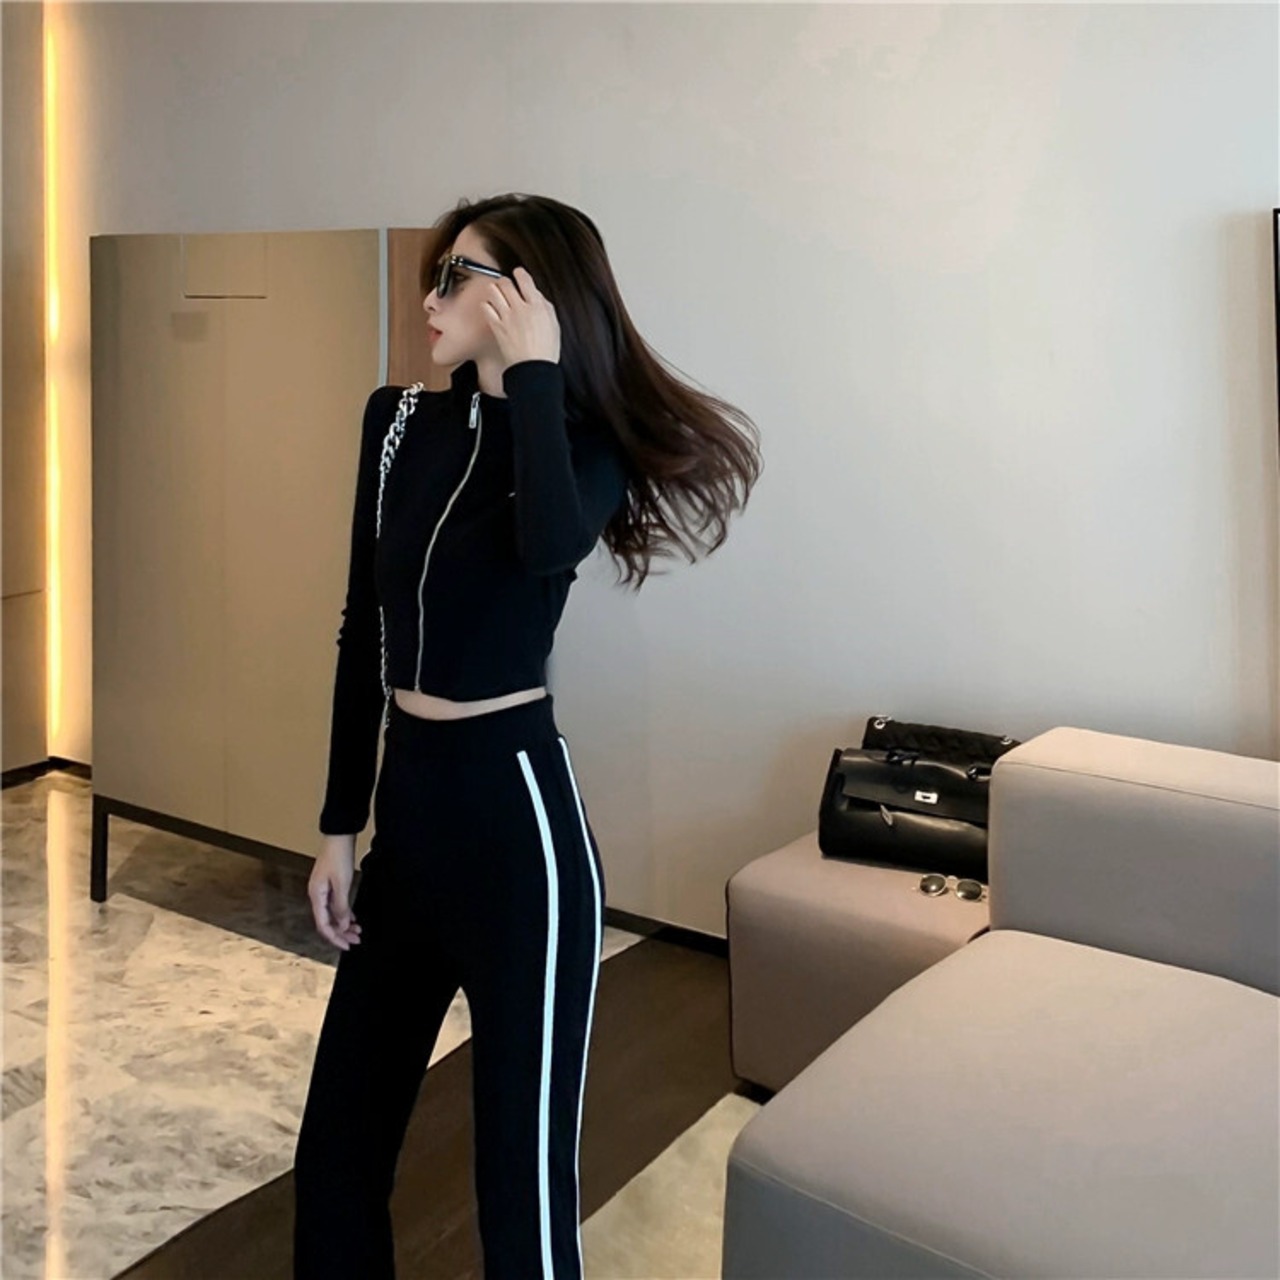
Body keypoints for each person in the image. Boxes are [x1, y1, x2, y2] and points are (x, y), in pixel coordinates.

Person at [291, 192, 762, 1279]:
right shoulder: (396, 423)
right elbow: (363, 628)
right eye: (434, 274)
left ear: (526, 299)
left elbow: (548, 547)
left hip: (519, 840)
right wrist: (337, 826)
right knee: (337, 1155)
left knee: (520, 1194)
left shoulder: (579, 448)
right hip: (409, 823)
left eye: (456, 276)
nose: (429, 297)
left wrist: (536, 378)